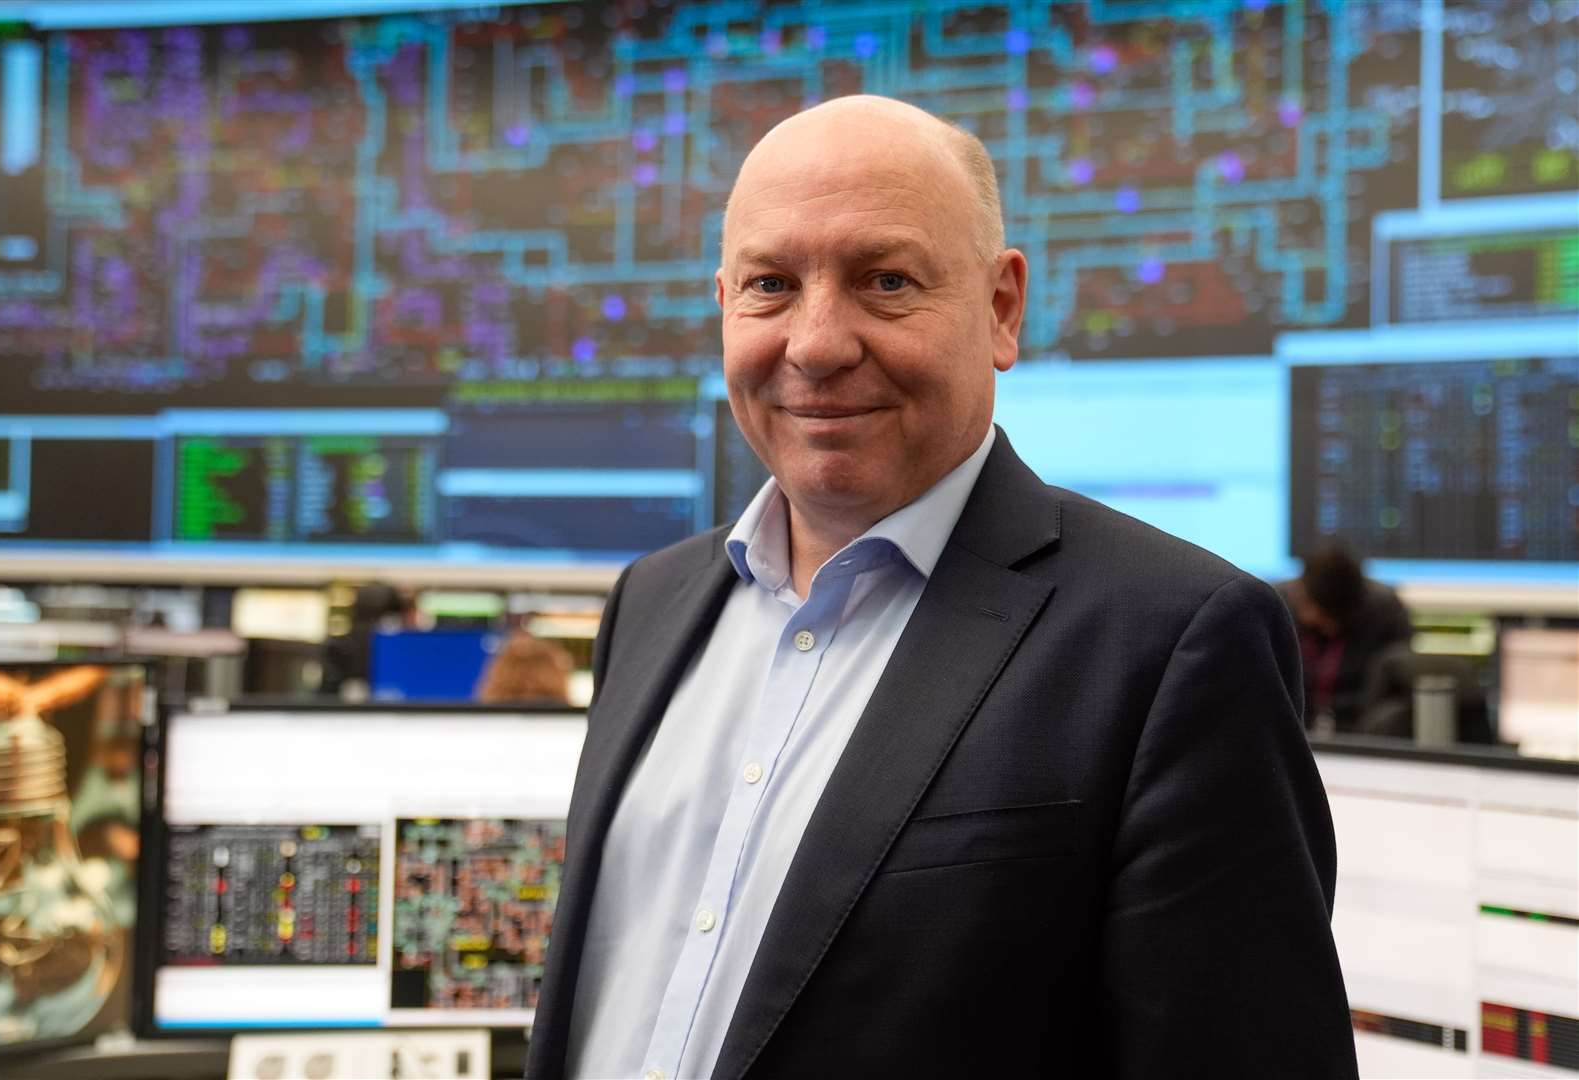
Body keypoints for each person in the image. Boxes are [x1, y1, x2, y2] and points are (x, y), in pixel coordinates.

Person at [528, 95, 1355, 1079]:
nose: (816, 342)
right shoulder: (652, 604)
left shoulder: (1168, 642)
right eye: (769, 284)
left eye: (884, 280)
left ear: (1000, 307)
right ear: (722, 306)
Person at [1281, 543, 1414, 733]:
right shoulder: (1279, 608)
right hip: (1297, 729)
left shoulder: (1386, 613)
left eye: (1332, 619)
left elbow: (1394, 688)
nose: (1328, 630)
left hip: (1362, 730)